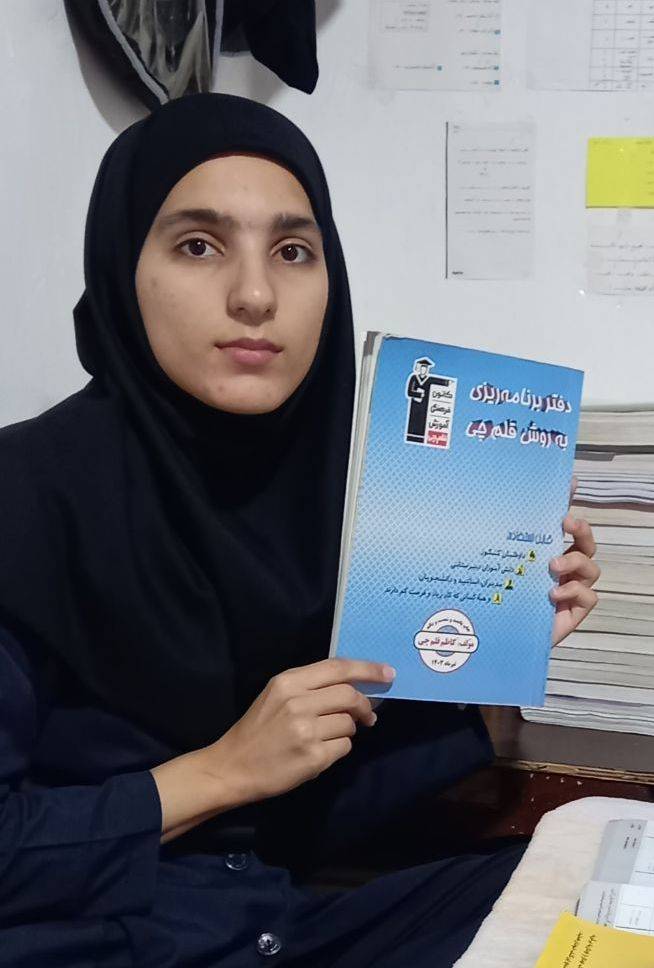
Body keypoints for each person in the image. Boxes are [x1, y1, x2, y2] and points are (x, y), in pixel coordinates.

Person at [0, 93, 600, 967]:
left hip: (280, 925)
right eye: (198, 245)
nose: (255, 295)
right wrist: (220, 772)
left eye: (292, 251)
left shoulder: (336, 492)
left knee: (607, 888)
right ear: (123, 267)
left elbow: (295, 825)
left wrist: (496, 657)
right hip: (91, 942)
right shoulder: (24, 498)